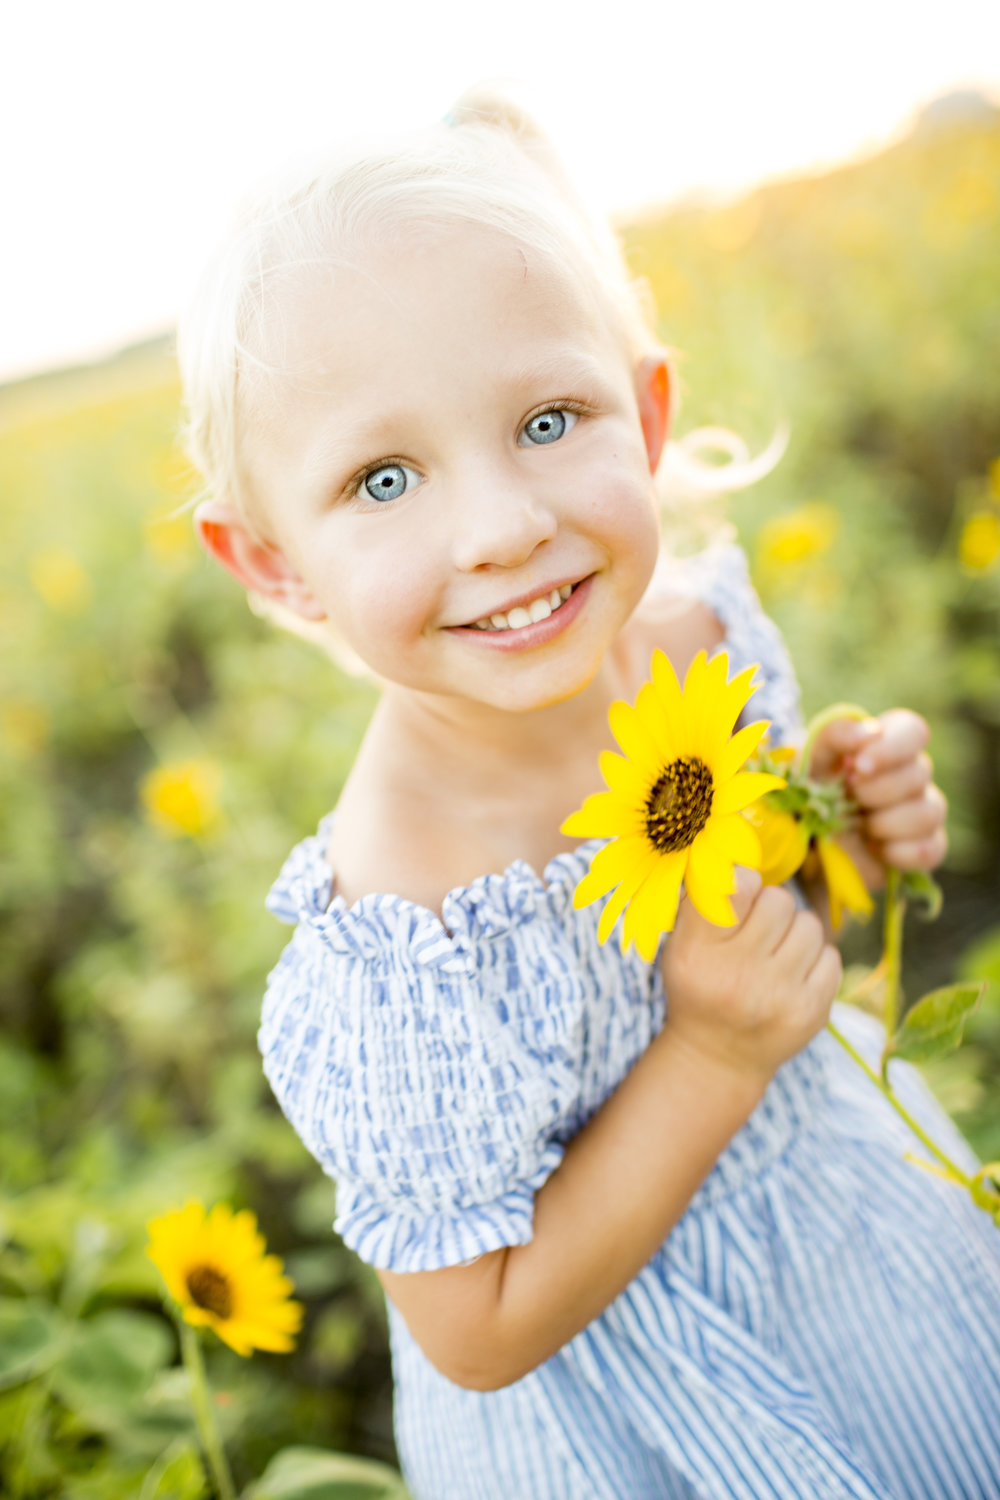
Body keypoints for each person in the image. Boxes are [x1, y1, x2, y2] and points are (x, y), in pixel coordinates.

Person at [179, 87, 1000, 1500]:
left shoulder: (700, 645)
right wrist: (710, 1059)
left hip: (850, 1239)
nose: (502, 526)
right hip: (629, 1415)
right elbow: (475, 1328)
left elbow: (780, 916)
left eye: (550, 417)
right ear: (272, 564)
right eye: (384, 478)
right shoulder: (403, 926)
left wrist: (852, 834)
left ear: (647, 408)